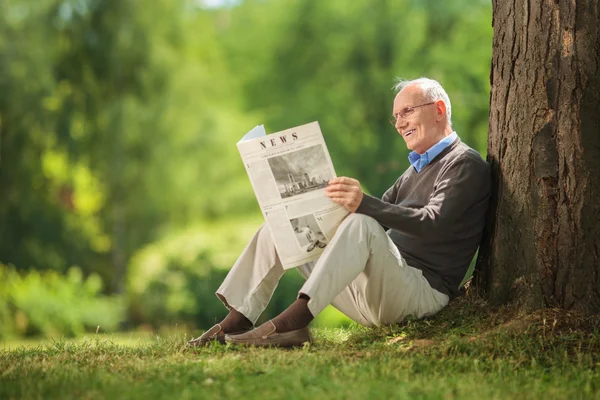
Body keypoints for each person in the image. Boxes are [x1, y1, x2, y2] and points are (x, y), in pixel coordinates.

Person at [188, 77, 491, 348]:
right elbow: (369, 217)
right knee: (282, 228)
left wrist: (362, 204)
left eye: (408, 111)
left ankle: (291, 325)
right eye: (396, 116)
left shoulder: (464, 163)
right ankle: (237, 320)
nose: (399, 123)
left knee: (361, 222)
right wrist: (315, 203)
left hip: (421, 294)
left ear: (439, 109)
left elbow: (432, 224)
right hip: (378, 293)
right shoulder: (415, 170)